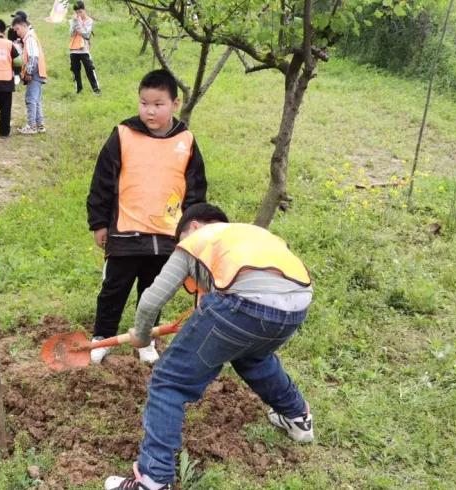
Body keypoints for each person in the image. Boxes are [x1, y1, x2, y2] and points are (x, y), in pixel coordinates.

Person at [104, 203, 315, 490]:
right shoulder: (249, 234)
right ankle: (298, 418)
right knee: (253, 355)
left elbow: (151, 300)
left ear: (190, 227)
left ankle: (153, 479)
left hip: (244, 302)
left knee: (169, 381)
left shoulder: (196, 240)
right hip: (297, 303)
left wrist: (141, 336)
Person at [86, 69, 207, 365]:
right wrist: (99, 223)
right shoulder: (123, 135)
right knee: (114, 289)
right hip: (125, 234)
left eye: (158, 104)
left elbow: (195, 191)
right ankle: (102, 338)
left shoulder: (186, 142)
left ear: (175, 104)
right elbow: (102, 181)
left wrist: (192, 229)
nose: (149, 111)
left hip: (167, 238)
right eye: (144, 103)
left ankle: (146, 340)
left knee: (154, 292)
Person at [12, 15, 45, 134]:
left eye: (17, 29)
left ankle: (31, 125)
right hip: (38, 72)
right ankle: (40, 125)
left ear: (24, 26)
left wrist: (29, 72)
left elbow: (33, 57)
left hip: (34, 73)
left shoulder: (30, 38)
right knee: (36, 100)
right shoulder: (30, 37)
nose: (16, 33)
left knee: (30, 99)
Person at [69, 1, 99, 95]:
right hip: (73, 49)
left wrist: (78, 25)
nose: (79, 14)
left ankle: (96, 89)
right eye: (77, 12)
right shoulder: (73, 20)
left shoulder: (89, 21)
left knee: (89, 68)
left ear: (84, 10)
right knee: (75, 70)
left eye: (80, 11)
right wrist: (76, 23)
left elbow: (86, 34)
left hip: (84, 49)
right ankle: (79, 90)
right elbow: (71, 33)